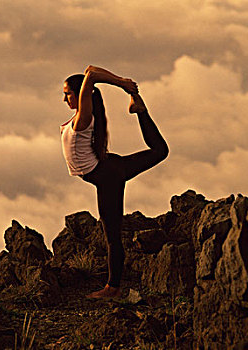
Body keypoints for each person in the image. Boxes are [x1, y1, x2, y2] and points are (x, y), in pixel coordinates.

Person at [60, 65, 169, 299]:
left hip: (109, 178)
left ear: (81, 95)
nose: (64, 98)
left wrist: (123, 84)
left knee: (112, 235)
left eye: (68, 93)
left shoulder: (83, 118)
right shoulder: (80, 117)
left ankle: (113, 288)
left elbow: (90, 74)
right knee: (159, 151)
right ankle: (139, 109)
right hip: (109, 169)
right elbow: (90, 70)